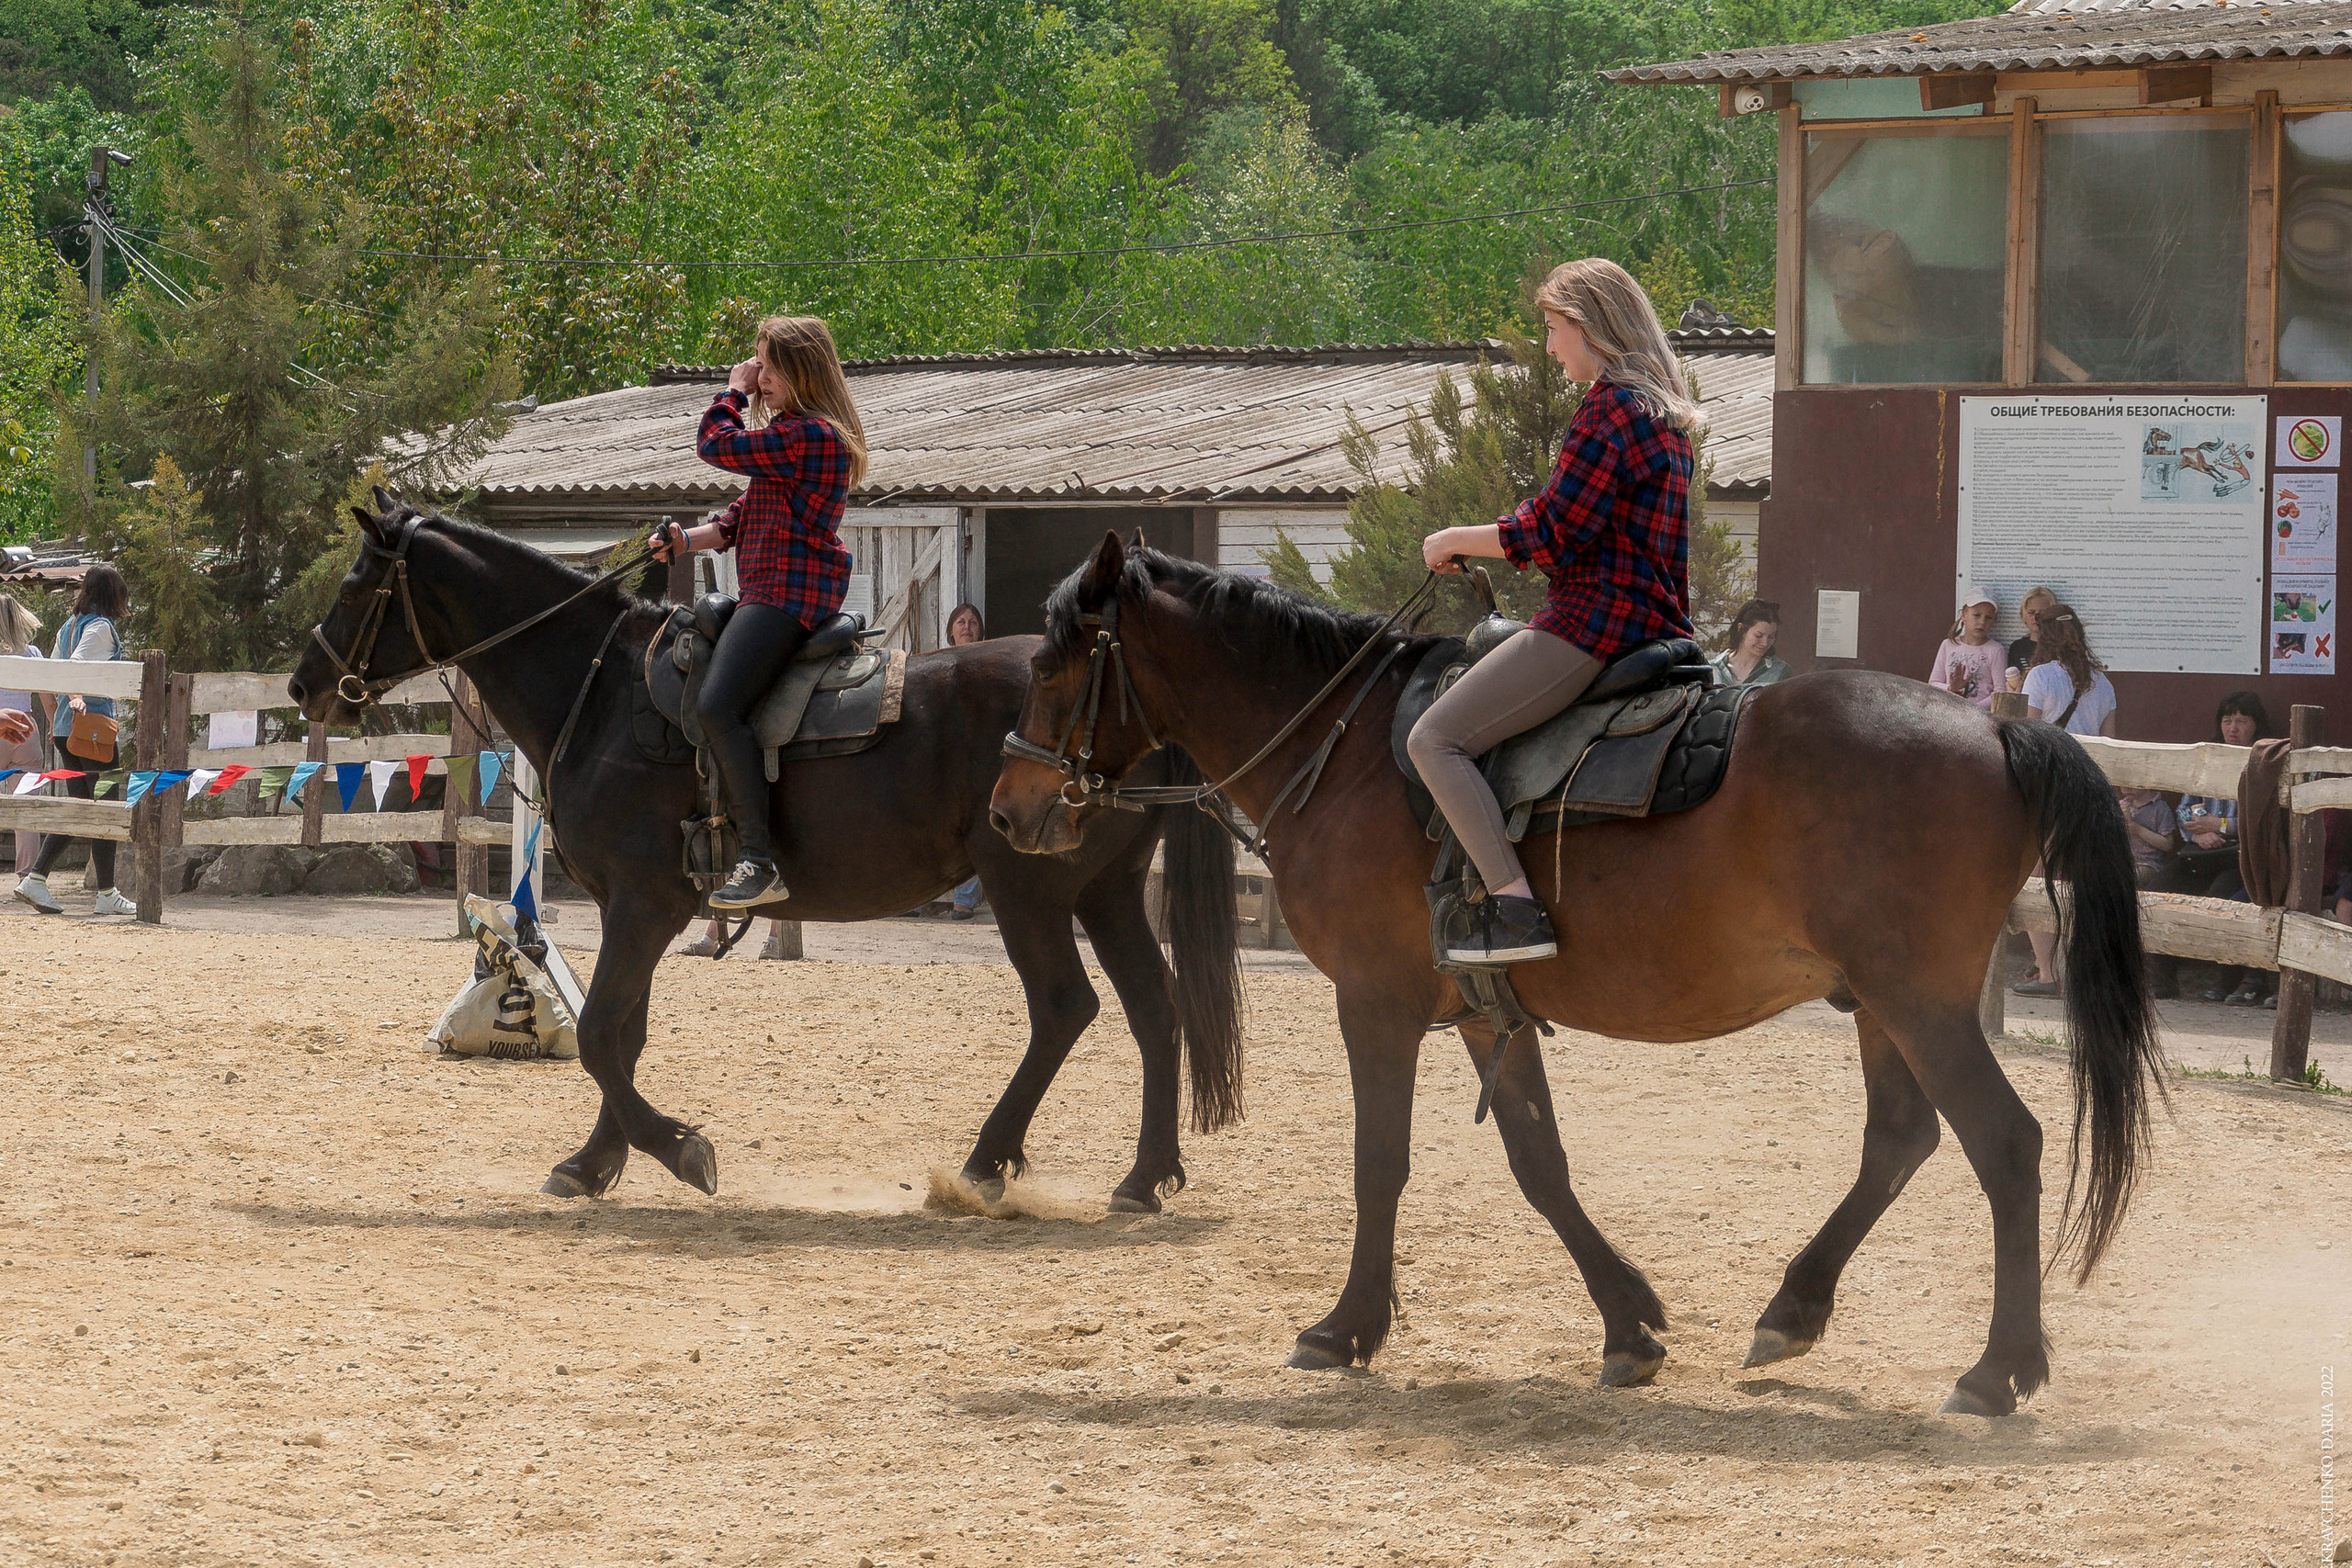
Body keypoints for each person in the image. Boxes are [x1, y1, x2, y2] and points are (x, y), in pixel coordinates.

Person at [1408, 258, 1702, 965]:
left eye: (1553, 328)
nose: (1548, 346)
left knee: (1434, 740)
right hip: (1662, 627)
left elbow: (1549, 529)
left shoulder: (1608, 408)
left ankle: (1512, 902)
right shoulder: (1665, 416)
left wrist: (1453, 539)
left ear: (1591, 326)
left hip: (1592, 626)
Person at [650, 315, 866, 910]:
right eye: (757, 366)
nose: (760, 375)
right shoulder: (793, 441)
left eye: (769, 365)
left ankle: (757, 858)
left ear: (801, 370)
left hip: (785, 595)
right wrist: (681, 540)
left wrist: (732, 390)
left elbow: (714, 444)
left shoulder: (813, 436)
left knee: (719, 704)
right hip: (769, 591)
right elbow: (737, 520)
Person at [2011, 604, 2119, 997]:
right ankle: (2081, 971)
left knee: (2038, 878)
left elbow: (2029, 732)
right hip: (2090, 790)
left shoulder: (2039, 676)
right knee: (2080, 883)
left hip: (2051, 789)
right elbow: (2109, 743)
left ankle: (2047, 973)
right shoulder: (2102, 683)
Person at [15, 565, 133, 917]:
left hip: (67, 730)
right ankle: (106, 892)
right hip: (92, 729)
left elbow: (49, 679)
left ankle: (38, 877)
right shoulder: (100, 628)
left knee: (82, 807)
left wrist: (55, 723)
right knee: (106, 807)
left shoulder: (67, 627)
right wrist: (79, 697)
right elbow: (75, 667)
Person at [2175, 693, 2275, 1005]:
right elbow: (2185, 809)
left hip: (2242, 856)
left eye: (2241, 722)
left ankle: (2229, 981)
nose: (2233, 729)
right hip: (2202, 851)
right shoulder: (2209, 757)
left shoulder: (2264, 762)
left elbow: (2255, 822)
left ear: (2255, 726)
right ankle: (2159, 979)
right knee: (2158, 886)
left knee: (2222, 892)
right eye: (2227, 721)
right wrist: (2198, 833)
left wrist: (2217, 825)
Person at [944, 604, 989, 920]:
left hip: (980, 754)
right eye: (961, 621)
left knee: (976, 826)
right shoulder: (942, 664)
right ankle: (917, 897)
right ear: (951, 631)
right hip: (947, 754)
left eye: (973, 622)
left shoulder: (989, 664)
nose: (967, 627)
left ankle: (966, 898)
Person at [0, 595, 49, 883]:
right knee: (27, 808)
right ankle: (28, 878)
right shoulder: (32, 653)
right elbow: (48, 697)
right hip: (25, 728)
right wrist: (56, 727)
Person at [1930, 588, 2007, 710]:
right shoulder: (1948, 645)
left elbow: (2000, 692)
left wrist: (1975, 709)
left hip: (1980, 717)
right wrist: (1951, 688)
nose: (1982, 622)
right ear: (1963, 615)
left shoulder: (1995, 650)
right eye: (1976, 615)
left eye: (1988, 618)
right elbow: (1933, 683)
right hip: (1949, 711)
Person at [1709, 600, 1791, 688]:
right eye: (1758, 636)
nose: (1765, 643)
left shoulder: (1780, 672)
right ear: (1741, 629)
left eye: (1771, 637)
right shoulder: (1711, 669)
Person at [2005, 585, 2056, 693]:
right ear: (2022, 616)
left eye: (2043, 612)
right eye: (2031, 613)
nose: (2036, 618)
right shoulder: (2017, 647)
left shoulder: (2059, 645)